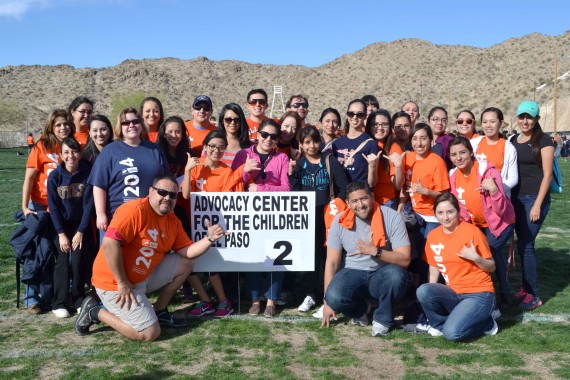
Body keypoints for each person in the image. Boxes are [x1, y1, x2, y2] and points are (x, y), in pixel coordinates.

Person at [75, 176, 227, 341]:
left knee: (185, 264)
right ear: (150, 191)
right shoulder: (135, 210)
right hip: (114, 283)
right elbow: (110, 244)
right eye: (162, 192)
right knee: (149, 333)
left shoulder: (172, 221)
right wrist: (122, 282)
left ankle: (159, 311)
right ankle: (94, 311)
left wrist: (210, 238)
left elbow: (187, 252)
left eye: (173, 195)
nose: (167, 198)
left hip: (142, 277)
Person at [321, 181, 411, 337]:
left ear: (372, 197)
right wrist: (327, 302)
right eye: (354, 201)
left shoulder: (392, 216)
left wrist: (375, 251)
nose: (360, 205)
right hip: (353, 271)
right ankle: (362, 309)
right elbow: (332, 262)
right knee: (333, 296)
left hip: (382, 272)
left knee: (396, 275)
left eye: (363, 199)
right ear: (348, 204)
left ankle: (383, 319)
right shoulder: (339, 221)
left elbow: (405, 259)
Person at [182, 131, 256, 318]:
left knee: (210, 265)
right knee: (189, 264)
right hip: (193, 224)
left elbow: (230, 197)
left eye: (221, 147)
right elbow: (185, 195)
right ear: (205, 146)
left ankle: (224, 301)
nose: (216, 150)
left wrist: (244, 171)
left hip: (214, 229)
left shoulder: (226, 170)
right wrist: (187, 170)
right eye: (213, 146)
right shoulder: (195, 166)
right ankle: (206, 301)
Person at [417, 193, 498, 341]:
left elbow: (492, 266)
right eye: (440, 213)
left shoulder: (472, 232)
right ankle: (441, 325)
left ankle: (486, 323)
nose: (445, 217)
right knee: (423, 290)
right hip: (454, 293)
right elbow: (433, 269)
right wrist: (430, 299)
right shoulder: (433, 236)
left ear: (458, 212)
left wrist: (476, 258)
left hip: (479, 293)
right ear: (435, 214)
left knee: (453, 334)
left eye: (450, 212)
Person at [231, 119, 291, 317]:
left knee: (277, 257)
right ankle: (255, 298)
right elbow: (233, 184)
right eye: (265, 134)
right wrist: (246, 172)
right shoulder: (243, 155)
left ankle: (272, 299)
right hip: (250, 215)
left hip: (275, 214)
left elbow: (286, 189)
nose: (268, 139)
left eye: (273, 137)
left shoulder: (281, 158)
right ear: (257, 134)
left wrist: (261, 188)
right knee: (254, 257)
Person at [448, 136, 515, 309]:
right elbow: (461, 209)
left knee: (489, 252)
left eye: (463, 152)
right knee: (478, 253)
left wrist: (493, 190)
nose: (459, 158)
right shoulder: (453, 176)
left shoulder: (488, 172)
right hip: (476, 225)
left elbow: (502, 210)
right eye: (454, 154)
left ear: (471, 153)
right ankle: (486, 293)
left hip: (501, 223)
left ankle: (498, 297)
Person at [289, 126, 349, 312]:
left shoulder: (329, 160)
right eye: (307, 142)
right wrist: (291, 175)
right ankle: (310, 294)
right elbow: (295, 192)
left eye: (315, 141)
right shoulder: (299, 164)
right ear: (301, 144)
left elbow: (344, 186)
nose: (312, 146)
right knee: (310, 256)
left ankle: (329, 295)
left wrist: (336, 205)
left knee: (329, 257)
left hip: (328, 216)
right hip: (308, 216)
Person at [21, 109, 74, 313]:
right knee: (38, 252)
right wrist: (26, 207)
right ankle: (31, 298)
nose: (63, 127)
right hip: (41, 206)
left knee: (63, 252)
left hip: (63, 207)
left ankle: (60, 294)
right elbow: (29, 178)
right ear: (51, 126)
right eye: (59, 124)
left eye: (66, 124)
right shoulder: (41, 146)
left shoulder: (71, 147)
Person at [89, 108, 170, 238]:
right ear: (120, 127)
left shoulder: (154, 149)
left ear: (141, 124)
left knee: (145, 257)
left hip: (150, 218)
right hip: (118, 219)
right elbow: (99, 185)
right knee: (113, 258)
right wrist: (101, 214)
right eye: (126, 123)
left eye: (135, 121)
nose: (131, 125)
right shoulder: (110, 151)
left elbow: (166, 182)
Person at [509, 100, 554, 311]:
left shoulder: (544, 140)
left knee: (527, 245)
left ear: (537, 119)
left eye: (529, 117)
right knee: (521, 244)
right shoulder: (512, 139)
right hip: (516, 199)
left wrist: (537, 204)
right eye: (521, 117)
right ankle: (525, 289)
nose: (525, 121)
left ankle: (534, 295)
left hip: (533, 199)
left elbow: (547, 175)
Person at [47, 138, 95, 318]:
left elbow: (89, 205)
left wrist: (81, 232)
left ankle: (78, 298)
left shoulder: (87, 173)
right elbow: (54, 207)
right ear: (61, 155)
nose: (70, 156)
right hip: (60, 226)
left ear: (80, 153)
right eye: (66, 152)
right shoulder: (55, 176)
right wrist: (61, 234)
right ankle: (59, 301)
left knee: (78, 258)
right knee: (62, 259)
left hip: (79, 224)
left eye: (74, 151)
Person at [403, 123, 450, 284]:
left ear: (431, 140)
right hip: (415, 215)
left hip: (432, 217)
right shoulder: (408, 158)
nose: (419, 143)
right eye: (415, 139)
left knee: (429, 255)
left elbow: (445, 195)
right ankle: (421, 289)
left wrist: (427, 192)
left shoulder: (437, 162)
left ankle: (433, 289)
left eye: (423, 138)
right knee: (418, 253)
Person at [470, 107, 518, 197]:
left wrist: (495, 189)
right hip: (475, 195)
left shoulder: (509, 148)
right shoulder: (473, 144)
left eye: (492, 122)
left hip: (497, 197)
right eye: (484, 122)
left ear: (500, 123)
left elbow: (513, 178)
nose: (488, 125)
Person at [364, 109, 405, 210]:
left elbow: (397, 185)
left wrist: (398, 166)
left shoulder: (394, 148)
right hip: (363, 200)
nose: (380, 128)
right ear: (369, 126)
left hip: (385, 202)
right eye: (375, 124)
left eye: (384, 124)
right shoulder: (363, 144)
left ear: (390, 127)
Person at [332, 99, 379, 182]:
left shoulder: (370, 144)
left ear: (365, 116)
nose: (354, 117)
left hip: (360, 192)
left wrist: (372, 167)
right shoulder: (336, 143)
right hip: (341, 193)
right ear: (347, 115)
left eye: (359, 114)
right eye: (351, 114)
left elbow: (372, 183)